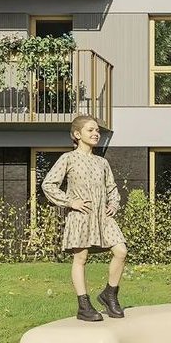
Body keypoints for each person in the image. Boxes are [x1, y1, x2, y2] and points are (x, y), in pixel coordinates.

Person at [41, 115, 127, 322]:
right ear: (77, 134)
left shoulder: (102, 162)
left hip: (103, 217)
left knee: (121, 251)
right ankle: (84, 306)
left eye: (97, 130)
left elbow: (112, 188)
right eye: (90, 130)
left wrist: (113, 204)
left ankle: (109, 294)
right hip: (80, 216)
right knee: (81, 258)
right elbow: (48, 184)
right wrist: (70, 202)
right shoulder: (68, 158)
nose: (96, 133)